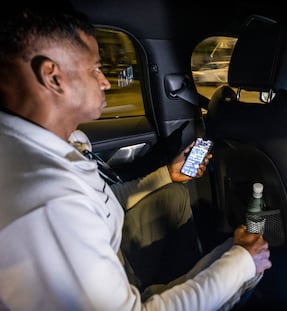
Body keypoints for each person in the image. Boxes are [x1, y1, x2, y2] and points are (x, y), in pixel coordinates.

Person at [0, 2, 272, 311]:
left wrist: (167, 174)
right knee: (251, 263)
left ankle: (180, 288)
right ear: (53, 77)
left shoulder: (63, 141)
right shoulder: (50, 206)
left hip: (109, 251)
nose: (104, 81)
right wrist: (241, 263)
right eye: (94, 69)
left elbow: (101, 199)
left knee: (172, 195)